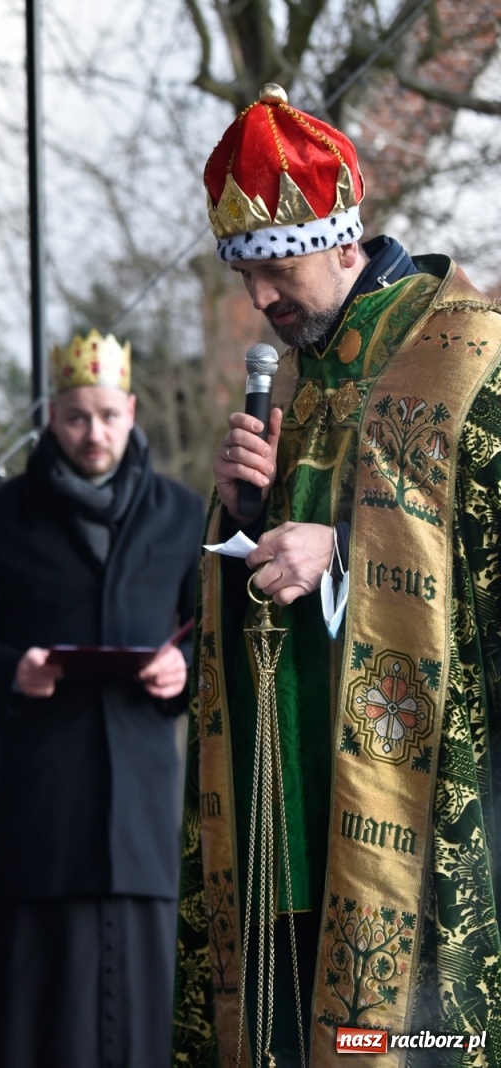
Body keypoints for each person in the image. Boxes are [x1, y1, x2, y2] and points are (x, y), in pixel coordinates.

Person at [174, 84, 501, 1066]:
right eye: (244, 276)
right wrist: (250, 519)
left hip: (435, 808)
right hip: (297, 810)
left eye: (277, 270)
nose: (260, 303)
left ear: (346, 244)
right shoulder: (307, 379)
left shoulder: (466, 360)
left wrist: (347, 560)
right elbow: (274, 583)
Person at [0, 331, 202, 1068]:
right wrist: (13, 668)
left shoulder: (182, 514)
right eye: (79, 417)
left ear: (133, 411)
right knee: (34, 1006)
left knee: (148, 1000)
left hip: (141, 804)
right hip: (42, 799)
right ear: (53, 416)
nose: (95, 433)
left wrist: (182, 669)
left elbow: (211, 640)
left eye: (109, 416)